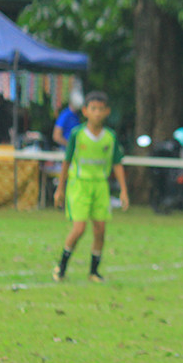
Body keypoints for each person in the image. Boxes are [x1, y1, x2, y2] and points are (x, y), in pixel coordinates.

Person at [52, 91, 129, 283]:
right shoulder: (78, 134)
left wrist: (123, 191)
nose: (97, 113)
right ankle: (61, 267)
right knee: (79, 229)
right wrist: (60, 188)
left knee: (100, 229)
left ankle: (94, 271)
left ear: (107, 112)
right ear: (85, 111)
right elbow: (67, 161)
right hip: (79, 185)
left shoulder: (110, 137)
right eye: (93, 109)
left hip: (100, 186)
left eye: (101, 109)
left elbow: (117, 164)